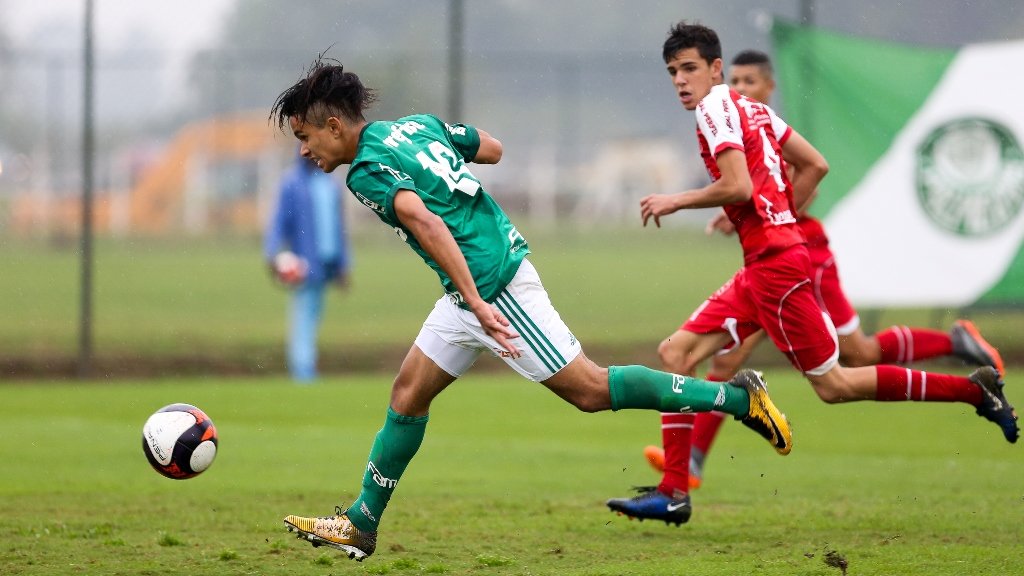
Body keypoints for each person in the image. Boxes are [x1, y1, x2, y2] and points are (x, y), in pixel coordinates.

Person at [269, 59, 794, 562]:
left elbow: (425, 223)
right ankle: (362, 521)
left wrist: (475, 299)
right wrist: (449, 160)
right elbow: (492, 150)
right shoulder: (415, 126)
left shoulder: (364, 172)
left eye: (305, 138)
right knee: (408, 394)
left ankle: (737, 398)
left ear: (334, 125)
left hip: (492, 288)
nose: (305, 151)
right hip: (467, 289)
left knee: (589, 390)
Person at [606, 23, 1018, 527]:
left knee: (838, 383)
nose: (680, 81)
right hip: (770, 262)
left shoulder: (716, 107)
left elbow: (736, 186)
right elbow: (815, 166)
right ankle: (675, 489)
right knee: (677, 353)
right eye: (672, 72)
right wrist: (778, 215)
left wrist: (679, 198)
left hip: (777, 270)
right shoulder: (754, 109)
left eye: (689, 68)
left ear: (716, 68)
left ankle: (975, 391)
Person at [264, 149, 351, 382]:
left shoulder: (331, 183)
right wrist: (272, 254)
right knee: (303, 317)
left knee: (313, 316)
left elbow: (339, 227)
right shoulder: (292, 183)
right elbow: (279, 223)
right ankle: (303, 372)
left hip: (327, 263)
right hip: (302, 265)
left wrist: (344, 264)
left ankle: (306, 367)